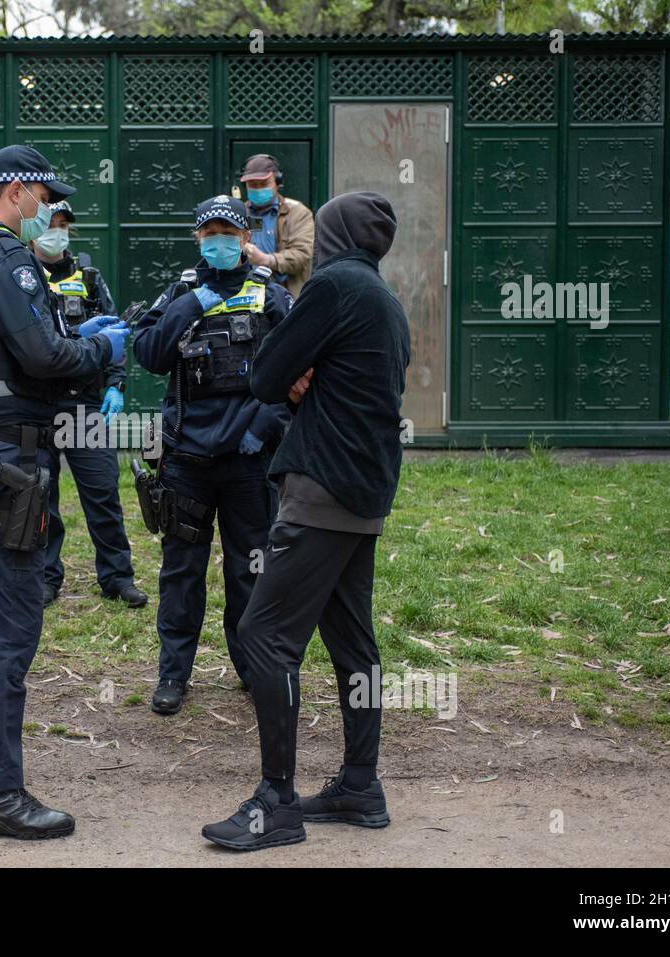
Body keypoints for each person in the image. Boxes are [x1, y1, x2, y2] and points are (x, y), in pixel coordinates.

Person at [0, 145, 130, 839]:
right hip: (13, 455)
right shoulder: (7, 255)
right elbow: (40, 356)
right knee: (8, 629)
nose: (48, 208)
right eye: (44, 194)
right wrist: (102, 347)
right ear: (15, 190)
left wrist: (70, 331)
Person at [202, 191, 410, 852]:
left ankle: (276, 801)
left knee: (264, 635)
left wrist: (296, 379)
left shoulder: (332, 287)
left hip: (319, 490)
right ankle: (360, 785)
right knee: (354, 644)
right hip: (366, 496)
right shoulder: (387, 301)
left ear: (338, 234)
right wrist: (310, 381)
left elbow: (265, 376)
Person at [132, 195, 292, 717]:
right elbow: (151, 355)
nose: (219, 241)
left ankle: (251, 670)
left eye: (229, 232)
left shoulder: (269, 294)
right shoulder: (180, 290)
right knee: (182, 572)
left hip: (249, 461)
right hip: (186, 460)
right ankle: (173, 674)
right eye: (209, 234)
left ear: (246, 237)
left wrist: (263, 428)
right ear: (197, 238)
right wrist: (190, 305)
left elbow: (296, 371)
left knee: (251, 570)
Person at [32, 200, 147, 609]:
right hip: (39, 404)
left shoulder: (91, 278)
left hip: (86, 406)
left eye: (64, 225)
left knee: (102, 492)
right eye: (52, 224)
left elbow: (116, 335)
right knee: (40, 495)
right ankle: (46, 577)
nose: (57, 232)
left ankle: (117, 577)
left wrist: (117, 385)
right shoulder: (21, 275)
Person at [237, 153, 314, 297]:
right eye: (252, 184)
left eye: (264, 183)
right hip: (245, 296)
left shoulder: (298, 212)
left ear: (277, 182)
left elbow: (301, 256)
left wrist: (264, 260)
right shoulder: (238, 213)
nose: (258, 188)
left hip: (287, 294)